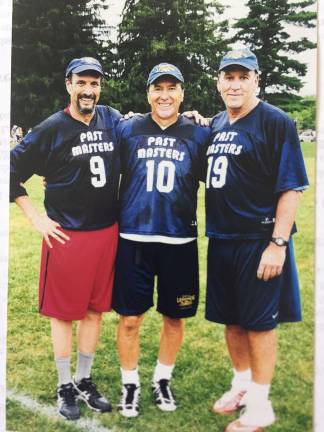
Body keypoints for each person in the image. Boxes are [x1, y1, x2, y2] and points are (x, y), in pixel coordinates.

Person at [10, 57, 121, 420]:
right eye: (81, 83)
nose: (88, 90)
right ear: (68, 85)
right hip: (67, 235)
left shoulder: (112, 118)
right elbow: (9, 171)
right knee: (63, 314)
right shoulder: (51, 128)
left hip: (106, 232)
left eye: (94, 83)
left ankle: (84, 379)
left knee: (94, 311)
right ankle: (63, 384)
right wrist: (37, 218)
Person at [205, 48, 309, 431]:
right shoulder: (217, 123)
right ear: (218, 82)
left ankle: (261, 405)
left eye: (242, 77)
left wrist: (277, 243)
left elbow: (292, 187)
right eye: (228, 77)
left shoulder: (275, 121)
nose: (235, 84)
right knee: (231, 320)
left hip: (258, 239)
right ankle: (242, 386)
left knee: (259, 323)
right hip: (222, 237)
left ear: (256, 80)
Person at [112, 63, 210, 418]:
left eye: (172, 88)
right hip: (134, 237)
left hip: (179, 239)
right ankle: (130, 384)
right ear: (148, 93)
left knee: (174, 316)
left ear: (183, 93)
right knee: (130, 319)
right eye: (158, 88)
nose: (165, 95)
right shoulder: (127, 129)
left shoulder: (200, 133)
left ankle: (162, 378)